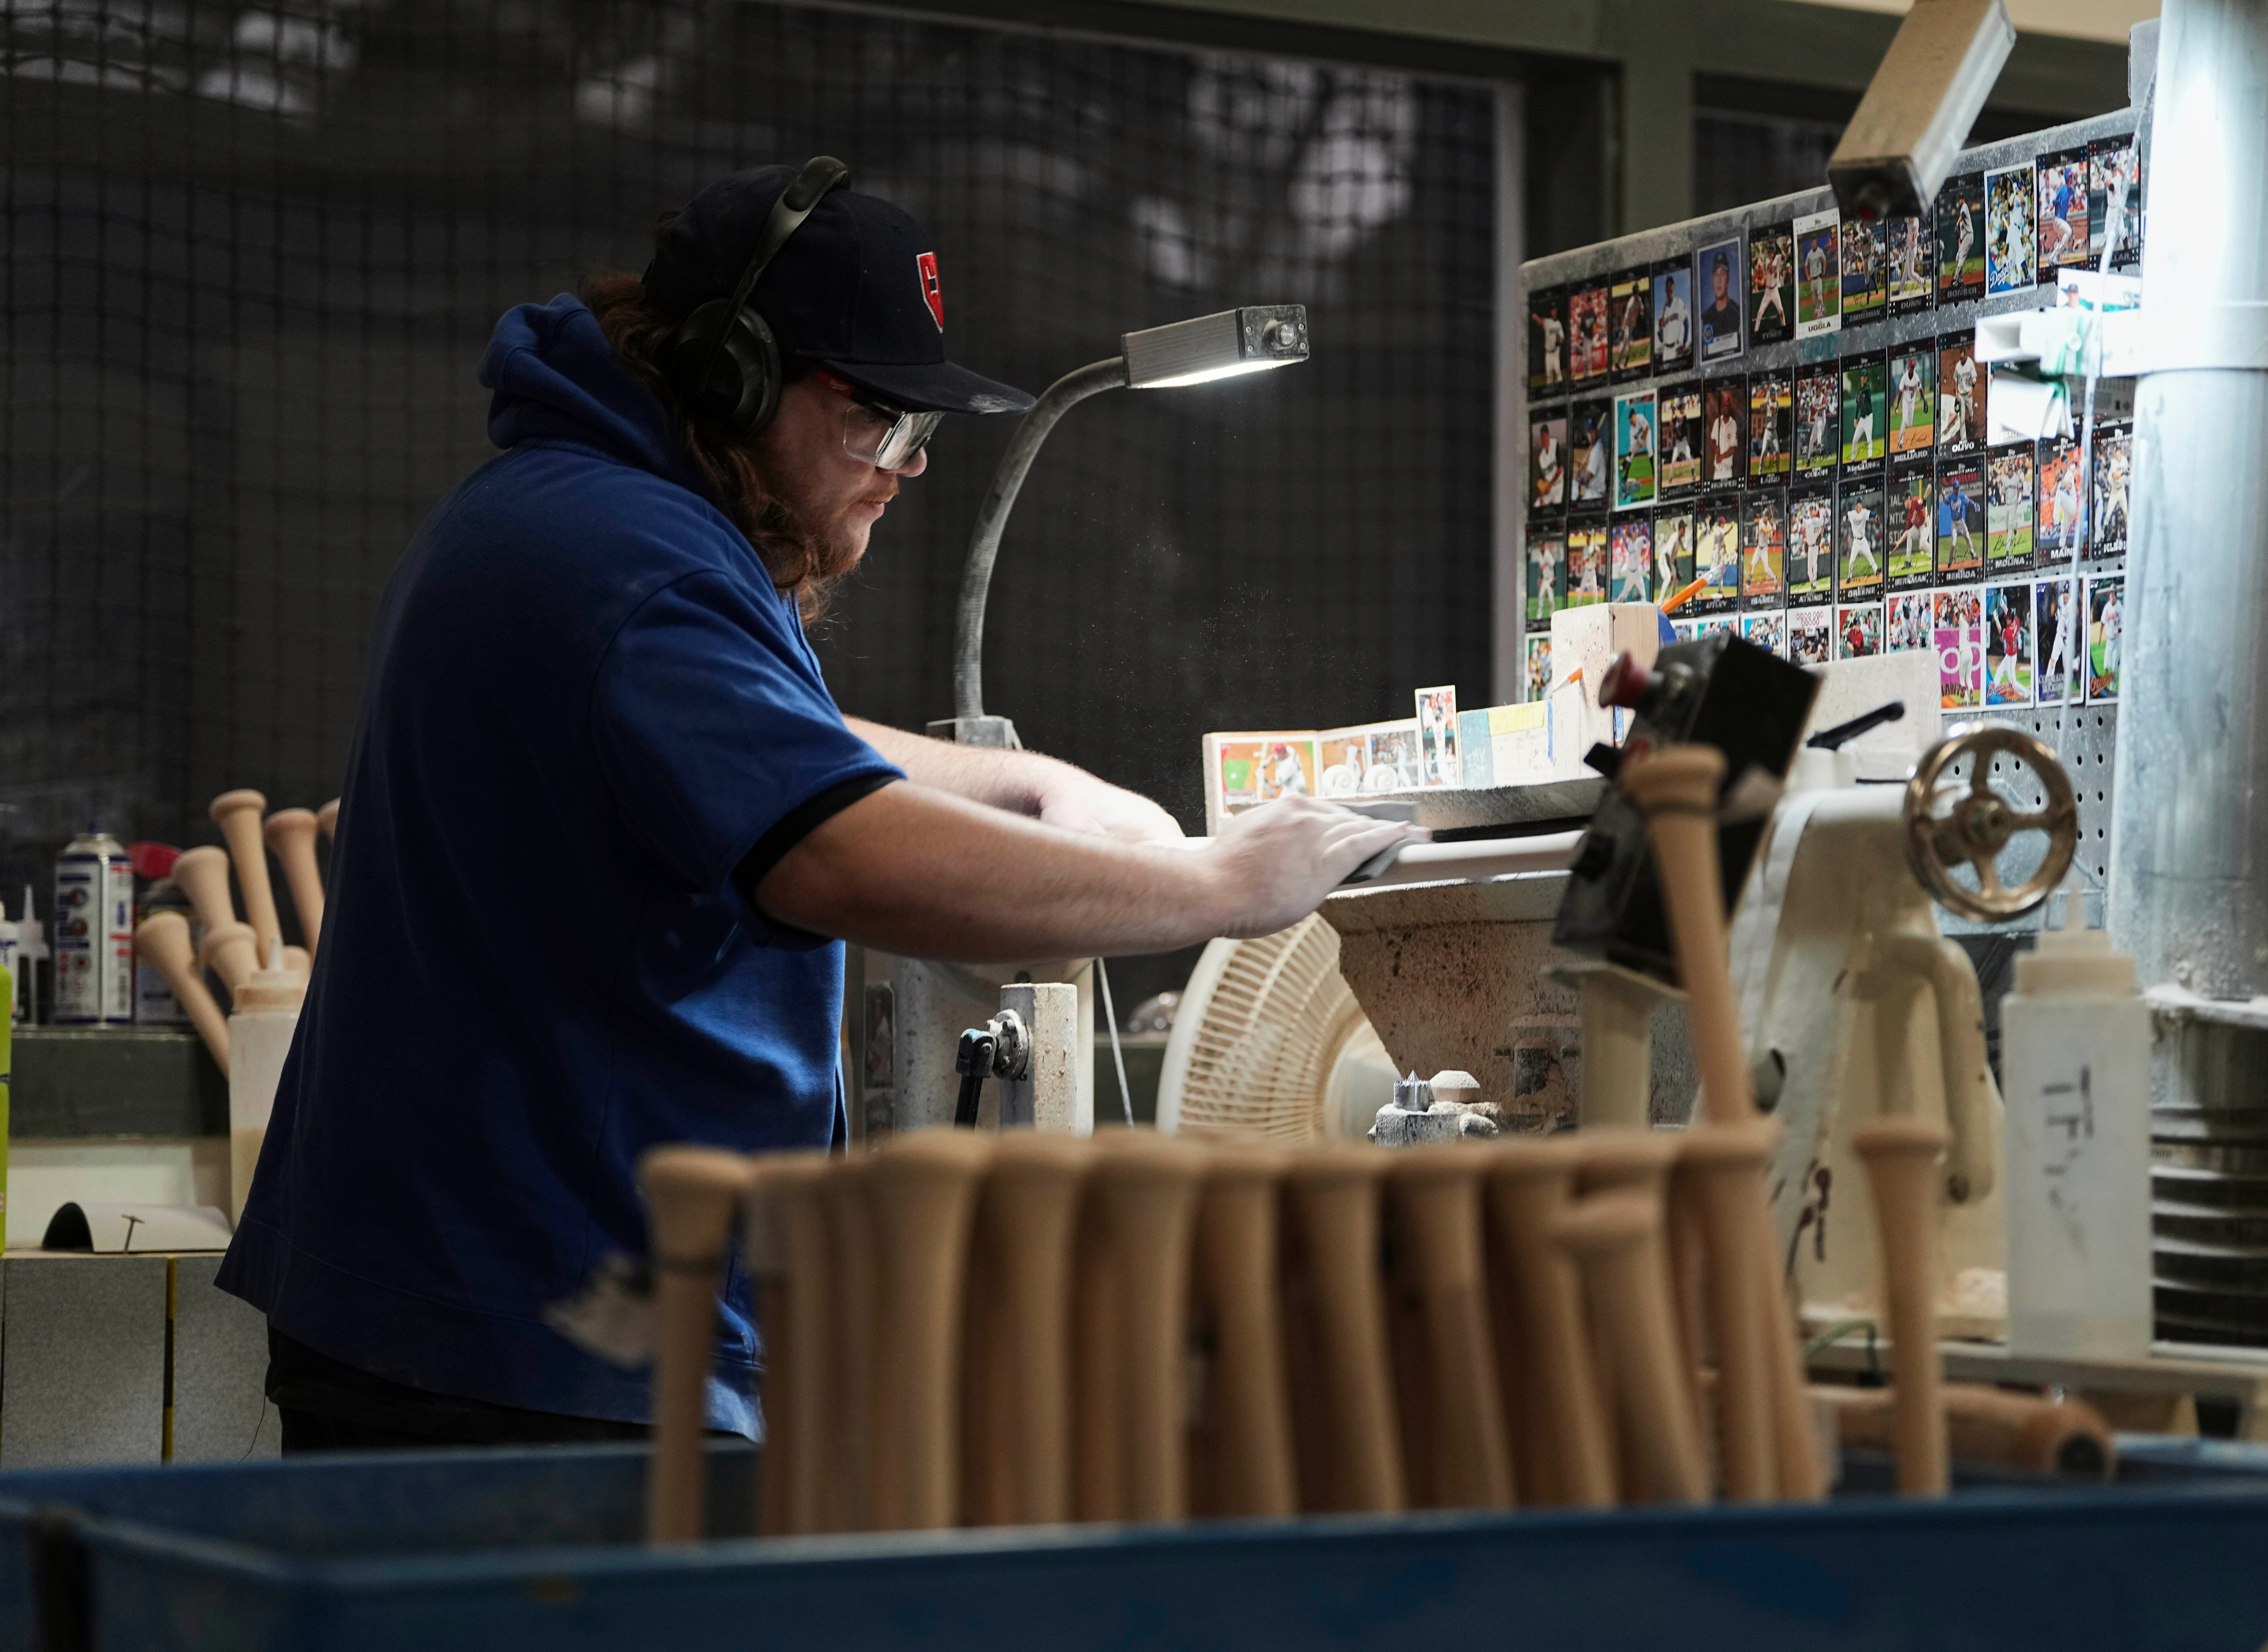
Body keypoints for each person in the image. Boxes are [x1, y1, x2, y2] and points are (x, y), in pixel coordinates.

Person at [219, 159, 1419, 1453]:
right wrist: (1219, 887)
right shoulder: (633, 564)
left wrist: (1030, 785)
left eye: (921, 433)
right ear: (736, 377)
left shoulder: (580, 523)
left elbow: (783, 749)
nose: (903, 470)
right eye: (877, 423)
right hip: (524, 1343)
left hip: (491, 1306)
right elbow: (831, 851)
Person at [1700, 250, 1741, 350]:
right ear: (1712, 279)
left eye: (1723, 274)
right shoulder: (1705, 319)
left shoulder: (1739, 314)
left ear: (1728, 278)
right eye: (1716, 275)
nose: (1719, 280)